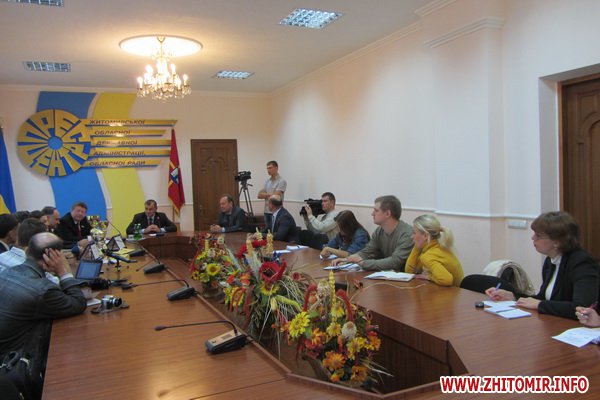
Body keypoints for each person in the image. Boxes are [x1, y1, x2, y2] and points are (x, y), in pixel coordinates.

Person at [486, 211, 600, 320]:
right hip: (554, 322)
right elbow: (543, 298)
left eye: (538, 236)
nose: (533, 238)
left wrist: (540, 304)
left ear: (557, 242)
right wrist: (513, 297)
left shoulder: (582, 263)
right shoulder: (551, 260)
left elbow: (582, 307)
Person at [0, 232, 86, 355]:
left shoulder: (6, 272)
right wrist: (62, 271)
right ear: (54, 257)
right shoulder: (44, 290)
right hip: (15, 357)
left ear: (27, 250)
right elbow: (78, 304)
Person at [332, 195, 413, 271]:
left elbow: (395, 262)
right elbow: (367, 251)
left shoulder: (407, 234)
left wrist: (363, 263)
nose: (372, 214)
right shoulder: (379, 230)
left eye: (376, 211)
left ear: (387, 213)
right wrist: (347, 260)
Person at [404, 214, 464, 287]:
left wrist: (429, 277)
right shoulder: (436, 247)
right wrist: (417, 247)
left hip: (453, 292)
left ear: (425, 236)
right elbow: (409, 271)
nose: (411, 236)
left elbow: (447, 280)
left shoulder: (429, 255)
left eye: (414, 233)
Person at [257, 161, 287, 227]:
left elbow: (276, 196)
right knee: (267, 231)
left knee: (275, 231)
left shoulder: (282, 181)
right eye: (267, 168)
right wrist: (271, 194)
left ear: (276, 168)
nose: (268, 170)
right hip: (266, 211)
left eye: (270, 168)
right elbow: (259, 195)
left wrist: (265, 195)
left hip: (276, 212)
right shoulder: (267, 181)